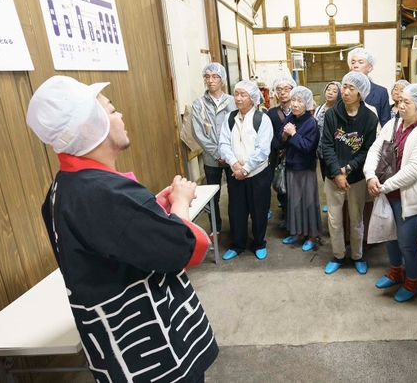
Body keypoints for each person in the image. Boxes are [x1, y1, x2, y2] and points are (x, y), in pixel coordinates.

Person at [26, 76, 218, 383]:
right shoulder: (105, 194)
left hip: (116, 349)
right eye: (111, 110)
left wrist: (152, 210)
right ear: (90, 127)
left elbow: (115, 240)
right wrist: (181, 203)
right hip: (154, 350)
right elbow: (184, 248)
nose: (121, 116)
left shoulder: (65, 188)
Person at [364, 84, 417, 302]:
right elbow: (375, 149)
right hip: (386, 193)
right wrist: (370, 175)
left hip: (407, 199)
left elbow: (414, 170)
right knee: (390, 237)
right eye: (400, 101)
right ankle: (396, 272)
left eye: (407, 102)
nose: (401, 105)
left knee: (406, 242)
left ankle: (412, 282)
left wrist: (383, 186)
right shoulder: (393, 123)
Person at [321, 71, 379, 275]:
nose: (344, 92)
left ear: (361, 93)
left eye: (350, 88)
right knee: (334, 219)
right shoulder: (331, 114)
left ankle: (357, 255)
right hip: (333, 177)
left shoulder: (369, 118)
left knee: (356, 219)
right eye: (343, 86)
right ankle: (338, 255)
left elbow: (368, 150)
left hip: (356, 177)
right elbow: (326, 146)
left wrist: (348, 169)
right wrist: (337, 173)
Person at [219, 80, 274, 261]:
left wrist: (246, 169)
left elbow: (263, 150)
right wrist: (234, 164)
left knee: (258, 209)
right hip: (235, 172)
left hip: (257, 173)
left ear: (253, 98)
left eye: (243, 95)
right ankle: (238, 244)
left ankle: (259, 243)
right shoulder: (230, 118)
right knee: (236, 211)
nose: (238, 98)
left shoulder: (262, 119)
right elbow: (224, 144)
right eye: (236, 94)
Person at [192, 62, 236, 240]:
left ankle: (236, 226)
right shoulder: (199, 104)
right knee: (213, 196)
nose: (210, 80)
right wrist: (217, 154)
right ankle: (215, 229)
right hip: (211, 159)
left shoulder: (234, 101)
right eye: (207, 76)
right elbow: (198, 133)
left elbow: (239, 129)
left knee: (235, 194)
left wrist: (228, 154)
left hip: (233, 158)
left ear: (223, 80)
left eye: (215, 76)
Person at [279, 86, 322, 252]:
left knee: (308, 201)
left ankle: (312, 235)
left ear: (308, 104)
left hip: (306, 168)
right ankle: (297, 232)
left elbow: (308, 147)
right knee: (294, 201)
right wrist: (285, 135)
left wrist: (293, 135)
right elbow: (280, 141)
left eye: (300, 101)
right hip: (291, 166)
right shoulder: (290, 117)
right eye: (293, 100)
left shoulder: (311, 122)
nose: (295, 104)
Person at [268, 77, 297, 229]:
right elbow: (269, 134)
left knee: (296, 187)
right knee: (281, 186)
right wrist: (279, 148)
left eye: (286, 88)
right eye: (279, 89)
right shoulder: (271, 113)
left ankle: (297, 219)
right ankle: (287, 216)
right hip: (277, 156)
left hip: (297, 155)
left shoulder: (299, 110)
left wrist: (289, 147)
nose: (283, 92)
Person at [315, 81, 341, 213]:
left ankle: (335, 204)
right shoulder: (319, 109)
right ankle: (329, 201)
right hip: (320, 151)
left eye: (334, 91)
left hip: (334, 151)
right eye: (328, 89)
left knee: (334, 177)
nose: (330, 92)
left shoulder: (340, 110)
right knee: (325, 177)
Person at [348, 47, 391, 127]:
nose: (355, 65)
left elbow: (385, 122)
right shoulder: (344, 91)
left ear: (370, 67)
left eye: (360, 62)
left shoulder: (381, 92)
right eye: (353, 62)